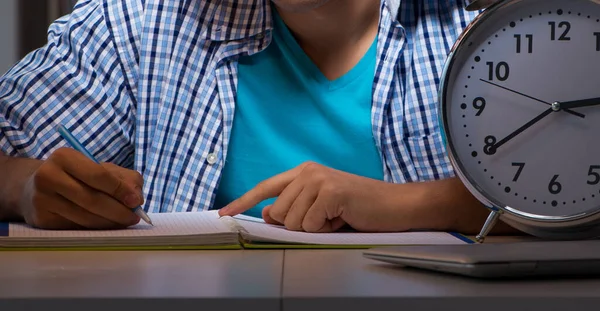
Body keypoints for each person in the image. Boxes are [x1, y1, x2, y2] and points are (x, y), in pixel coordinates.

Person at [0, 0, 516, 234]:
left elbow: (583, 201)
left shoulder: (484, 27)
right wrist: (24, 189)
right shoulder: (138, 21)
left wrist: (425, 203)